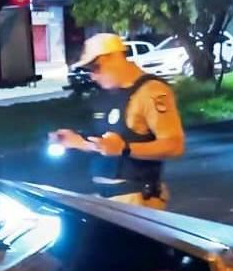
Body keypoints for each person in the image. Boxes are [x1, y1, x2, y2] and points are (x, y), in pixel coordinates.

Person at [50, 32, 186, 209]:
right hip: (103, 198)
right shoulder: (107, 94)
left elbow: (174, 145)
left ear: (113, 58)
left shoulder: (151, 92)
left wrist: (126, 149)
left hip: (135, 200)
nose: (93, 76)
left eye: (95, 68)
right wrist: (76, 141)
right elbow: (108, 147)